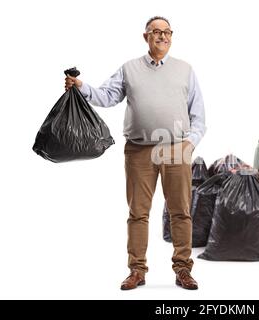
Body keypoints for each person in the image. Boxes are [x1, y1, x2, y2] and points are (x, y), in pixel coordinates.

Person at [64, 16, 206, 290]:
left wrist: (191, 143)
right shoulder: (130, 69)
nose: (162, 36)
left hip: (176, 149)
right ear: (146, 37)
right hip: (139, 150)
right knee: (138, 212)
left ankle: (183, 270)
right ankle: (137, 271)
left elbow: (198, 115)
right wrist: (81, 88)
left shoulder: (185, 70)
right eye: (156, 32)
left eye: (167, 32)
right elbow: (106, 96)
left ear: (171, 36)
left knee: (180, 211)